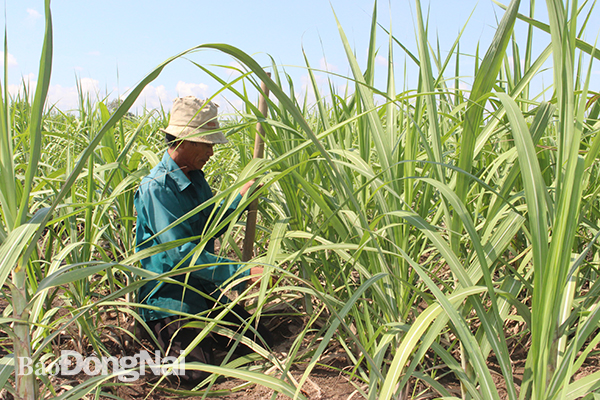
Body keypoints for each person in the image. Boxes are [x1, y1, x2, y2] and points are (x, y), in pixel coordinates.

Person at [134, 96, 272, 388]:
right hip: (170, 299)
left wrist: (239, 200)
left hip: (201, 291)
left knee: (261, 341)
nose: (212, 151)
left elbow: (209, 225)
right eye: (206, 143)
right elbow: (181, 257)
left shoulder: (194, 177)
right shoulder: (157, 189)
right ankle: (154, 335)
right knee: (192, 377)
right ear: (185, 140)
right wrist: (241, 272)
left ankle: (209, 339)